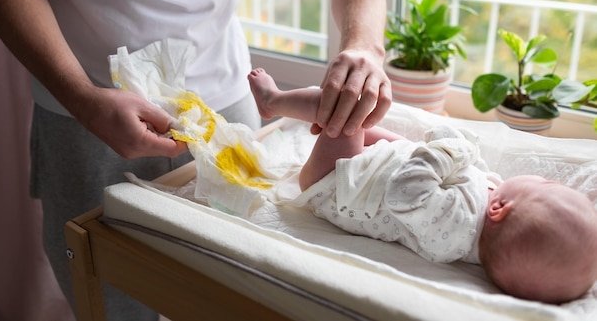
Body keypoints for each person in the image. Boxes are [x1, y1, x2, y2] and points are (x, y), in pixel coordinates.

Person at [0, 0, 392, 320]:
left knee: (234, 294)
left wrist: (363, 48)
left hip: (223, 103)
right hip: (86, 113)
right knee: (109, 296)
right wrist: (81, 96)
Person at [248, 67, 597, 304]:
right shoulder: (491, 205)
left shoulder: (456, 228)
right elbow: (469, 170)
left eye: (545, 183)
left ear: (500, 209)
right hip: (376, 164)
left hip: (337, 182)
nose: (543, 179)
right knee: (357, 118)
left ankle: (273, 102)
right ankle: (299, 108)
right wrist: (454, 148)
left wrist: (447, 149)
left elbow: (407, 192)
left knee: (346, 109)